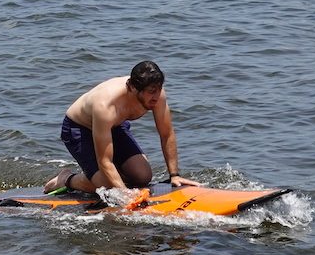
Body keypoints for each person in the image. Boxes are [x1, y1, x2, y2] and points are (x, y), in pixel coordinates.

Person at [42, 61, 201, 194]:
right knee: (107, 186)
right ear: (132, 88)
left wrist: (174, 175)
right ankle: (67, 179)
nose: (156, 96)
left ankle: (103, 176)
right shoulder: (106, 105)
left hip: (114, 126)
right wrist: (124, 194)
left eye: (158, 90)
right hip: (79, 129)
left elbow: (166, 134)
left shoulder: (157, 95)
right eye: (151, 92)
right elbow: (105, 160)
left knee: (142, 176)